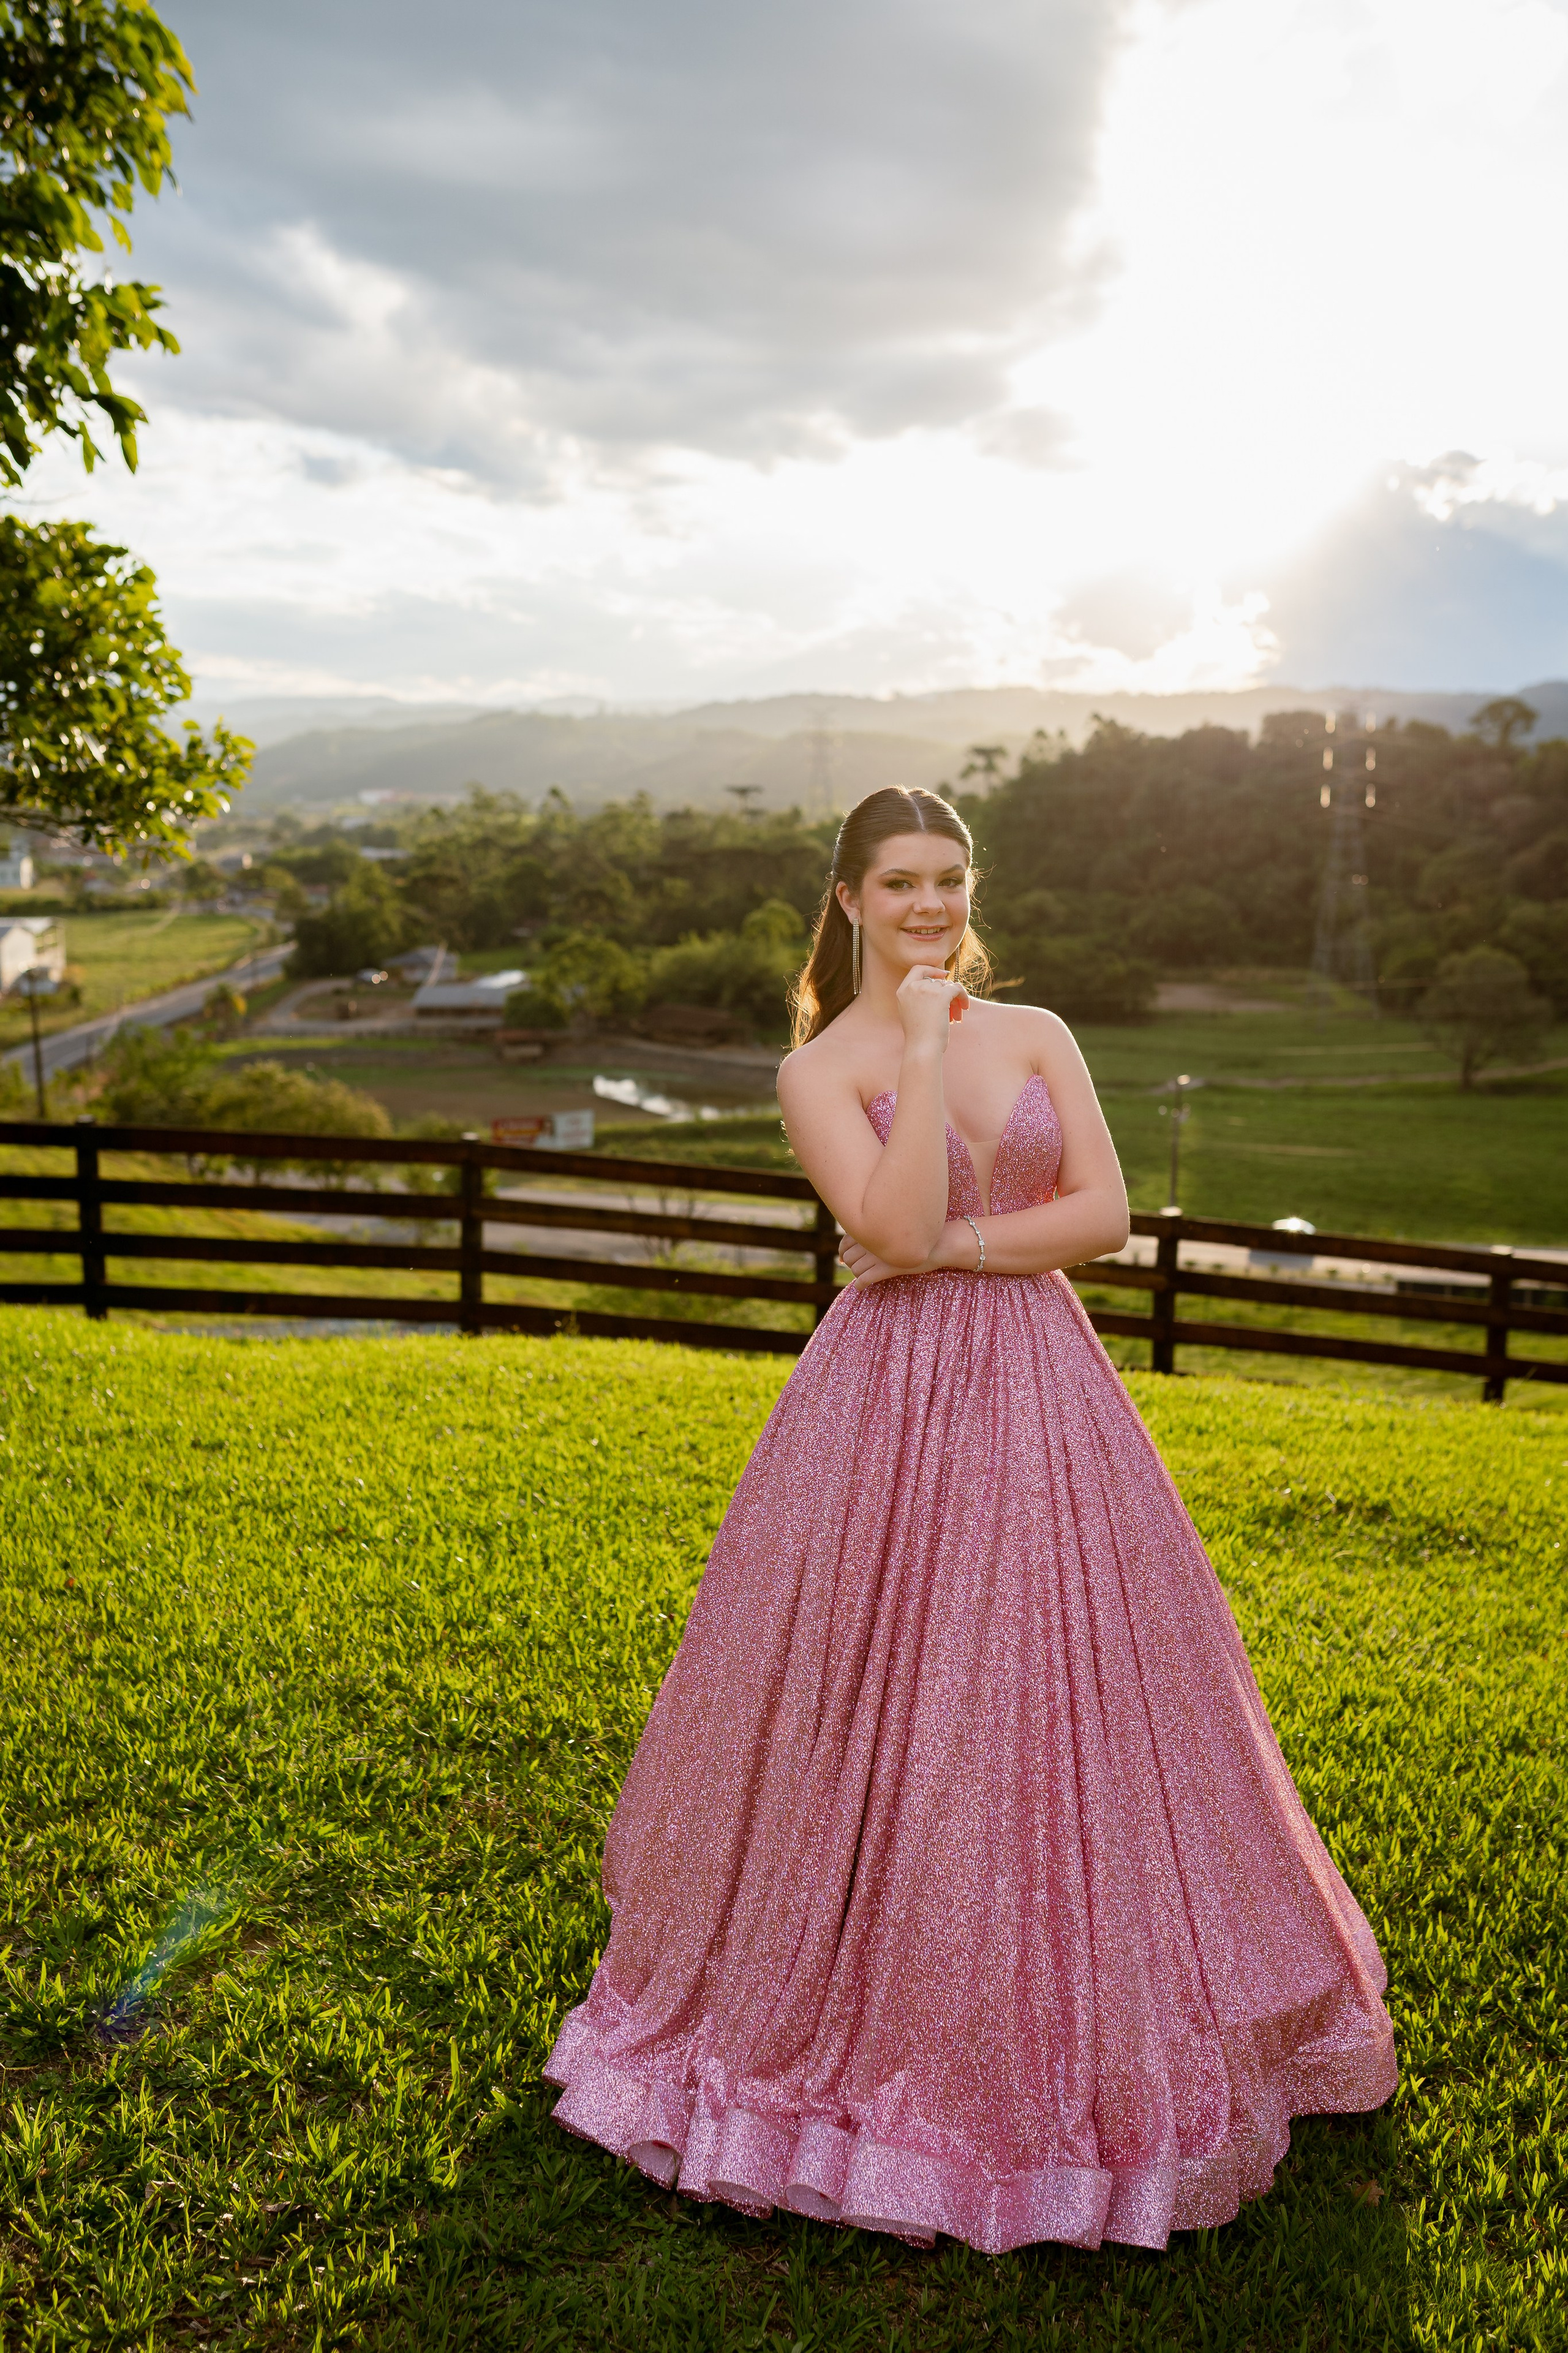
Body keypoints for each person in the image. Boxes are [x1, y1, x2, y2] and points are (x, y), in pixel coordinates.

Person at [546, 786, 1396, 2254]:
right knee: (874, 1692)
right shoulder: (817, 1065)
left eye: (948, 878)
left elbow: (1099, 1214)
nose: (930, 904)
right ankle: (867, 1977)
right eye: (898, 883)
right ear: (850, 898)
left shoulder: (1044, 1034)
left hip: (1042, 1391)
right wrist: (925, 1049)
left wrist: (951, 1244)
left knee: (1056, 1684)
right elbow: (874, 1228)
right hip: (874, 1407)